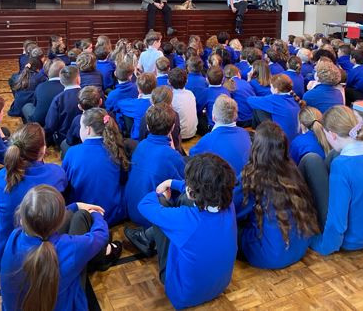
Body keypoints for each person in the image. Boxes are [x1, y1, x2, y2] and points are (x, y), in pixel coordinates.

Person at [125, 154, 237, 309]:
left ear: (192, 191)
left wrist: (159, 194)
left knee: (162, 208)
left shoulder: (185, 219)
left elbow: (144, 205)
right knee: (182, 207)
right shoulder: (228, 203)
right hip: (220, 286)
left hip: (182, 295)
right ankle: (146, 237)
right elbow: (197, 192)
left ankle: (145, 239)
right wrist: (173, 183)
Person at [0, 185, 119, 311]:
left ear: (22, 219)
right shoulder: (69, 247)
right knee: (83, 220)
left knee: (80, 220)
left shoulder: (14, 237)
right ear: (59, 222)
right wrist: (96, 214)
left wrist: (75, 206)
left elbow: (41, 219)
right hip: (67, 305)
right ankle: (104, 254)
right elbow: (101, 235)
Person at [299, 106, 363, 254]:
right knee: (333, 155)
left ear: (333, 135)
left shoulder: (341, 167)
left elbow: (337, 222)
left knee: (311, 159)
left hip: (351, 240)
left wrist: (322, 245)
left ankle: (297, 211)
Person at [0, 123, 67, 276]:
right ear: (43, 150)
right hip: (41, 243)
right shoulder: (57, 173)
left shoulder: (2, 177)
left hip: (5, 247)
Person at [234, 121, 319, 269]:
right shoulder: (292, 169)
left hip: (269, 255)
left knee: (228, 226)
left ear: (256, 148)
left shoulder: (251, 176)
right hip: (299, 246)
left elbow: (232, 210)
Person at [63, 109, 129, 225]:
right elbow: (123, 179)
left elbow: (64, 183)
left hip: (85, 217)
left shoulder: (72, 152)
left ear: (87, 129)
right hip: (113, 214)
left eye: (80, 127)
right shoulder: (117, 149)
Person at [125, 103, 185, 227]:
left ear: (147, 126)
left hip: (132, 210)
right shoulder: (172, 156)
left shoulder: (140, 146)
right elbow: (184, 186)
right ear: (173, 127)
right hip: (152, 219)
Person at [189, 95, 251, 175]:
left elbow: (192, 154)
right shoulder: (245, 133)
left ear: (213, 117)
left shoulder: (208, 139)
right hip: (245, 181)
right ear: (235, 116)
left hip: (224, 184)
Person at [248, 74, 302, 142]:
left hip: (282, 141)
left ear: (276, 90)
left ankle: (257, 133)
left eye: (271, 87)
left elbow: (250, 100)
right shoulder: (294, 98)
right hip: (295, 137)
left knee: (258, 108)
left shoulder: (274, 99)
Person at [45, 65, 81, 146]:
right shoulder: (88, 94)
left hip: (64, 138)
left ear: (61, 81)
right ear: (78, 79)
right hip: (85, 137)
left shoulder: (58, 99)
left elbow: (50, 125)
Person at [21, 59, 65, 125]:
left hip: (41, 123)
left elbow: (35, 104)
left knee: (27, 106)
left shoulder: (40, 87)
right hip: (60, 123)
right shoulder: (67, 87)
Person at [62, 85, 102, 153]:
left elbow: (70, 140)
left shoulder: (78, 120)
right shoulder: (109, 115)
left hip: (84, 150)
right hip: (105, 148)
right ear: (100, 101)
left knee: (64, 144)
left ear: (79, 107)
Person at [197, 66, 230, 131]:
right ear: (223, 79)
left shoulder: (206, 92)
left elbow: (198, 109)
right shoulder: (226, 91)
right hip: (225, 123)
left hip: (212, 126)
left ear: (207, 79)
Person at [168, 67, 198, 140]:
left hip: (180, 135)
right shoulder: (190, 93)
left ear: (169, 82)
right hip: (192, 132)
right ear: (186, 81)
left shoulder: (171, 98)